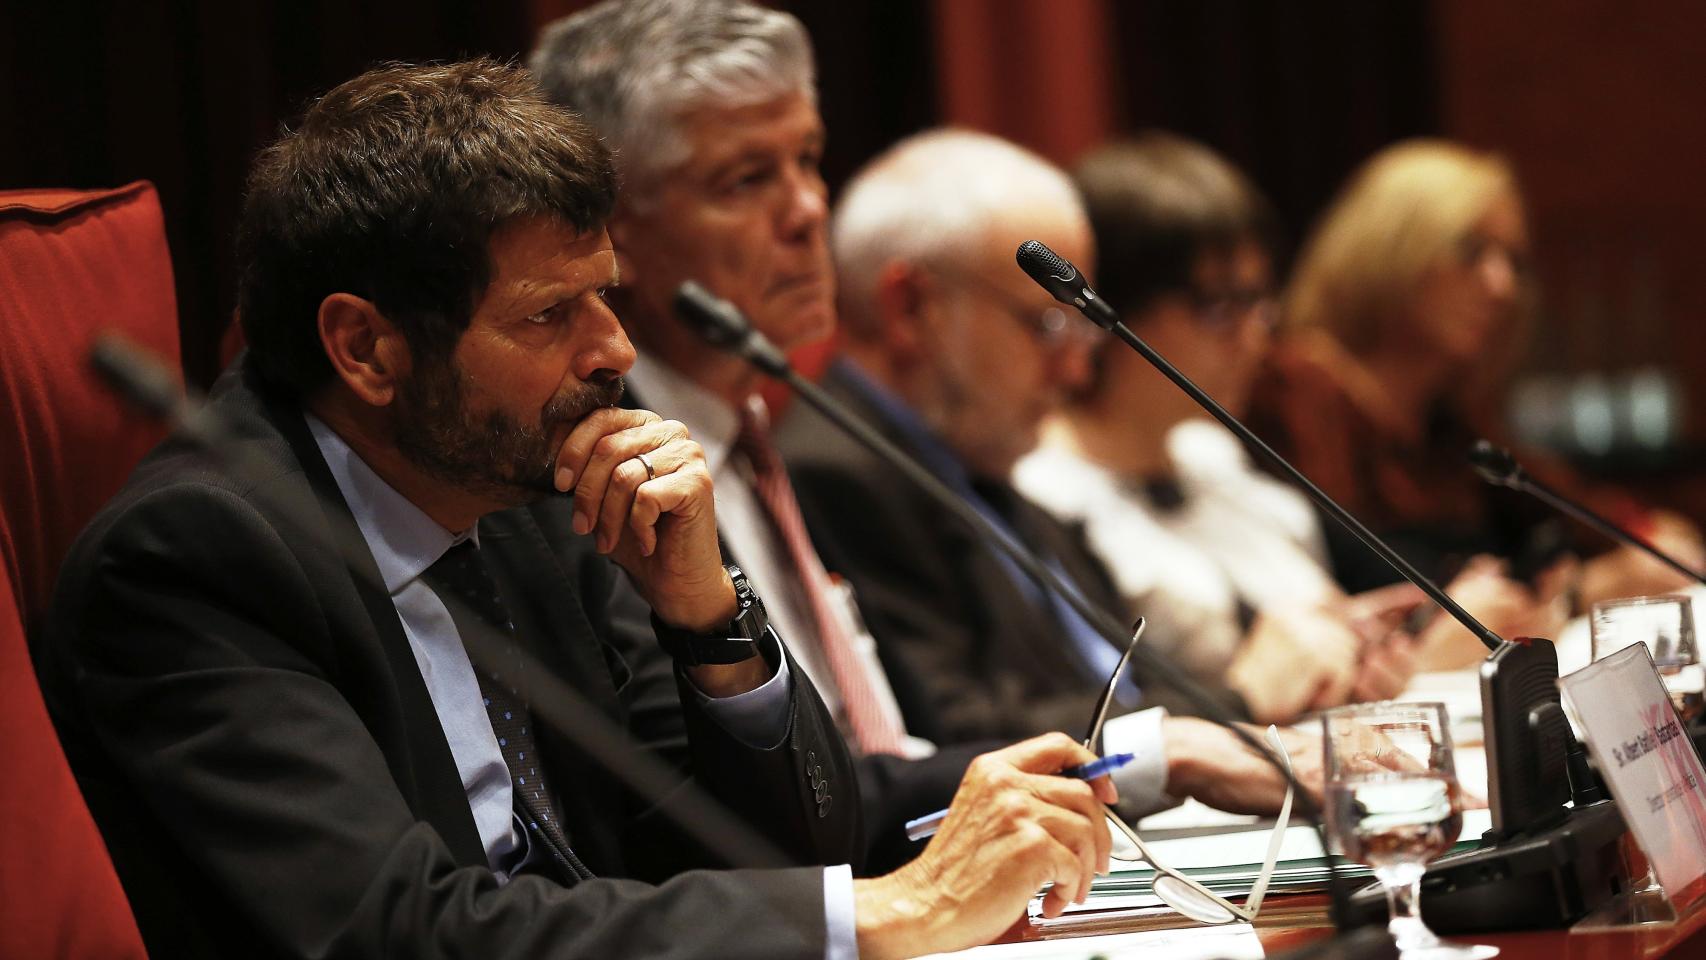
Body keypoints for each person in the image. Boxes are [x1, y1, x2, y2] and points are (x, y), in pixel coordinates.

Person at [36, 60, 1127, 960]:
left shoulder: (529, 491)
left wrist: (708, 618)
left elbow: (784, 844)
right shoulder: (197, 558)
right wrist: (884, 916)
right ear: (367, 347)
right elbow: (393, 931)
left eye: (604, 293)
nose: (614, 350)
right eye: (550, 313)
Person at [530, 3, 1309, 826]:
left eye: (808, 160)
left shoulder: (751, 437)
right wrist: (1157, 754)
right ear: (616, 235)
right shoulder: (603, 479)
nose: (808, 210)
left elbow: (880, 761)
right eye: (746, 180)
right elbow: (761, 808)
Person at [776, 127, 1316, 815]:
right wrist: (1236, 700)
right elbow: (958, 737)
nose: (1076, 370)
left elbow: (1120, 682)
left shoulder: (974, 457)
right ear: (913, 308)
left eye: (1082, 332)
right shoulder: (839, 473)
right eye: (1048, 327)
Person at [1016, 133, 1446, 720]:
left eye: (1260, 301)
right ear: (1104, 311)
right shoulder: (1042, 493)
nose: (1255, 336)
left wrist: (1364, 654)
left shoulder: (1211, 451)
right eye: (1221, 306)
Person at [1248, 139, 1703, 665]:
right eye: (1471, 252)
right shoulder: (1295, 392)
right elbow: (1363, 585)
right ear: (1389, 248)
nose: (1501, 285)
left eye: (1513, 261)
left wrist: (1644, 539)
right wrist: (1572, 593)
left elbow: (1588, 513)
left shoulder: (1446, 420)